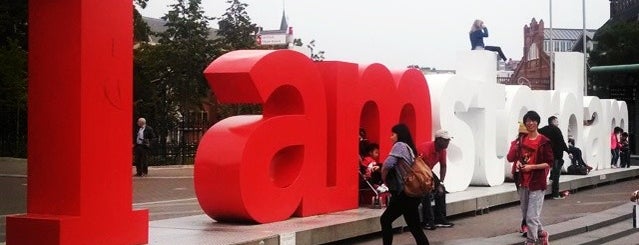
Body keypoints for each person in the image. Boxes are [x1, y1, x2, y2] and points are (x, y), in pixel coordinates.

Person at [507, 110, 553, 245]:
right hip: (523, 182)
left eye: (533, 120)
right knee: (527, 215)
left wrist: (531, 167)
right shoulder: (521, 142)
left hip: (537, 183)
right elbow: (516, 158)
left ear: (537, 123)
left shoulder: (544, 141)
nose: (530, 123)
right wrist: (521, 163)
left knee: (532, 216)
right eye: (527, 121)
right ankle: (542, 234)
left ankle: (531, 241)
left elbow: (549, 163)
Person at [380, 124, 429, 245]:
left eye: (393, 134)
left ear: (399, 135)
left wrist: (383, 176)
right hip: (412, 194)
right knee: (415, 227)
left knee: (385, 219)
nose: (391, 137)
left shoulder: (400, 145)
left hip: (403, 194)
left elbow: (388, 164)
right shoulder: (409, 147)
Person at [418, 129, 454, 230]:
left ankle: (440, 219)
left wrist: (441, 183)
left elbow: (443, 166)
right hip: (417, 173)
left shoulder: (442, 150)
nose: (448, 142)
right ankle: (428, 222)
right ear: (438, 140)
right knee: (426, 192)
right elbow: (417, 167)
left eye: (448, 140)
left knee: (441, 190)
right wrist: (430, 184)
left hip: (427, 172)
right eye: (445, 140)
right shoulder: (425, 149)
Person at [538, 116, 569, 200]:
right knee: (556, 175)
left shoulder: (543, 130)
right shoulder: (556, 130)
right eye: (557, 121)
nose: (558, 123)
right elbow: (562, 142)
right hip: (557, 156)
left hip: (547, 156)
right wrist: (568, 152)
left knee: (548, 173)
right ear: (554, 121)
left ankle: (545, 189)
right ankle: (555, 194)